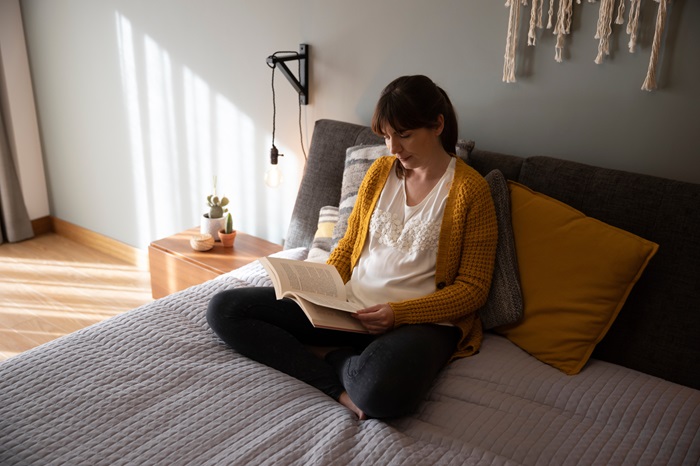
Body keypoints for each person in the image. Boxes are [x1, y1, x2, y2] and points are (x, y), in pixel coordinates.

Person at [207, 75, 498, 420]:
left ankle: (333, 356)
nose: (393, 149)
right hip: (349, 310)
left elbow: (473, 290)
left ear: (437, 125)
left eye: (403, 135)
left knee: (381, 395)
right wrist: (318, 290)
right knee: (225, 308)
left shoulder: (470, 191)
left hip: (421, 322)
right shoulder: (378, 174)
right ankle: (338, 388)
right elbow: (347, 247)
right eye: (387, 136)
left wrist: (398, 314)